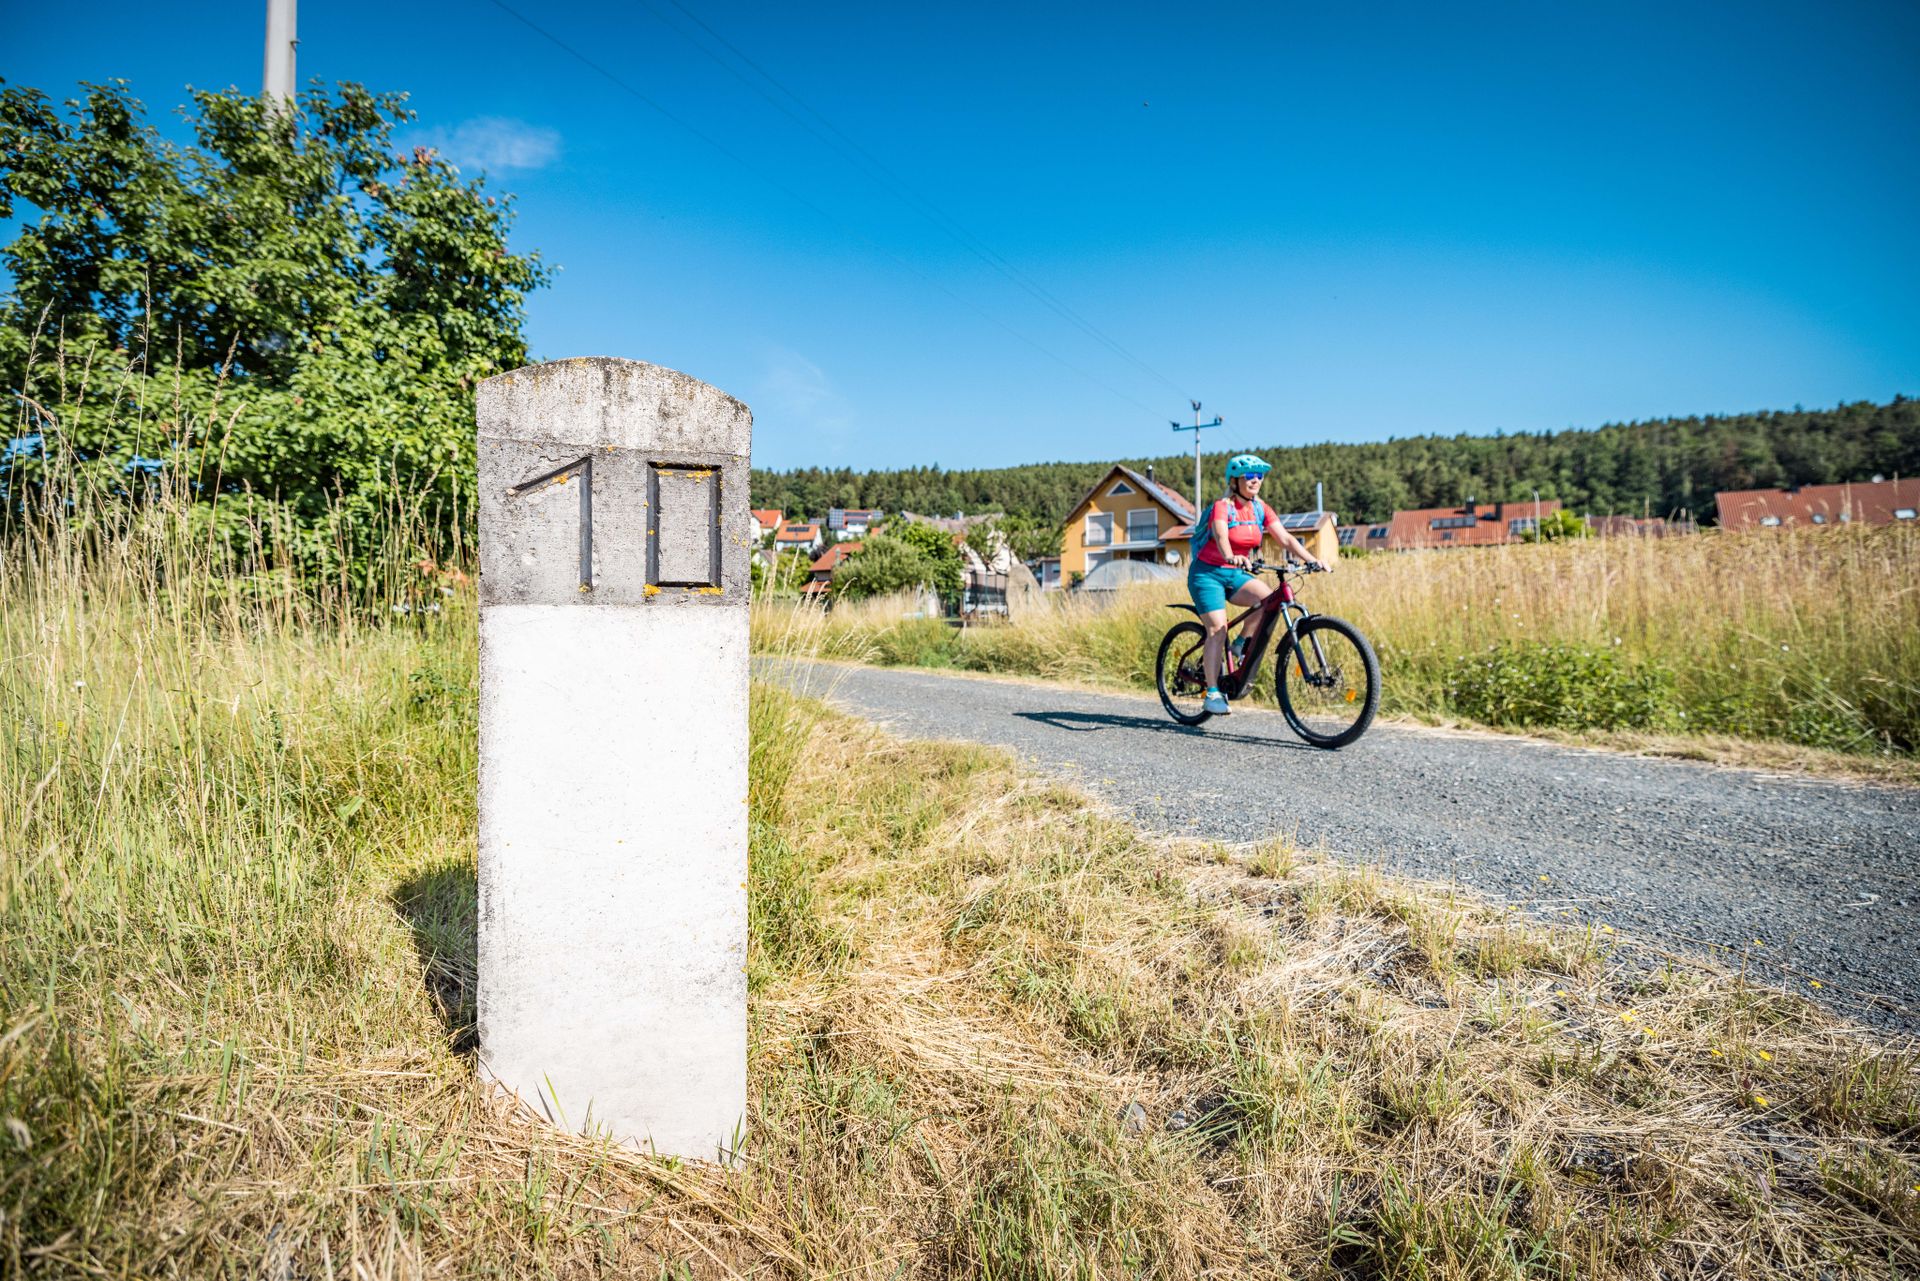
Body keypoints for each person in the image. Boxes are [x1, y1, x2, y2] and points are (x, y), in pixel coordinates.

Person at [1187, 454, 1330, 714]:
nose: (1255, 480)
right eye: (1249, 476)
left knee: (1267, 603)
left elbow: (1285, 539)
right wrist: (1230, 555)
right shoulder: (1223, 506)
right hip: (1207, 574)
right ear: (1235, 481)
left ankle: (1240, 643)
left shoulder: (1260, 509)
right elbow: (1220, 535)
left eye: (1259, 476)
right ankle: (1212, 692)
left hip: (1235, 573)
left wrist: (1313, 560)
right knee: (1217, 629)